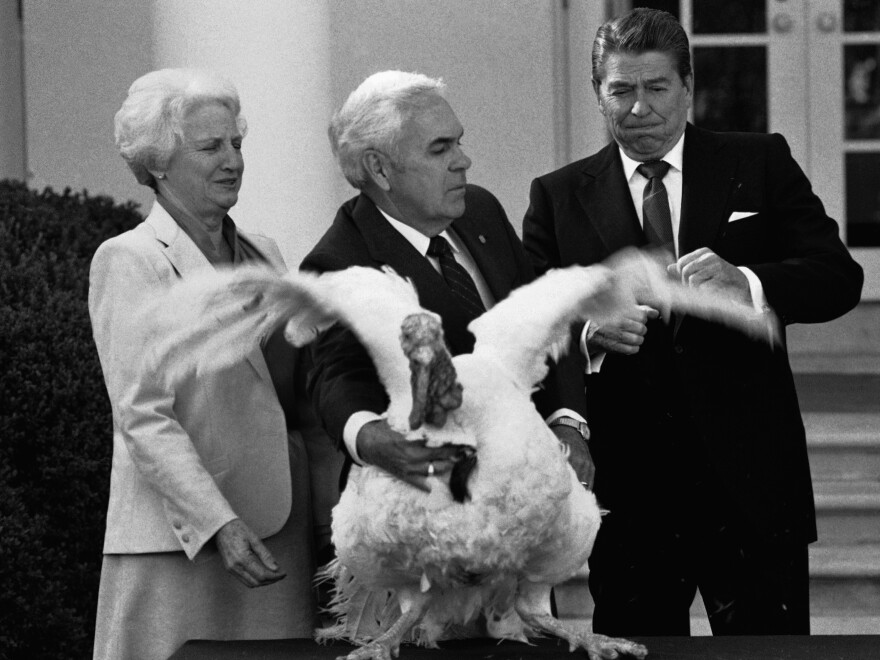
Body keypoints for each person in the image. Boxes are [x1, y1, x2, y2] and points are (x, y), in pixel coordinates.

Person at [522, 8, 864, 637]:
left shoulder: (758, 161)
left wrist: (750, 282)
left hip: (753, 485)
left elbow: (840, 278)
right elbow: (529, 324)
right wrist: (590, 335)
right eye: (620, 90)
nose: (639, 108)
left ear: (687, 87)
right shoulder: (558, 195)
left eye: (656, 88)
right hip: (629, 492)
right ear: (599, 92)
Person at [89, 69, 317, 660]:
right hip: (184, 540)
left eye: (236, 144)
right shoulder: (130, 260)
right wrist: (217, 523)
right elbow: (143, 414)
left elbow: (293, 385)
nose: (233, 160)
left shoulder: (265, 251)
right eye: (210, 147)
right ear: (159, 162)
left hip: (278, 535)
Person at [301, 70, 590, 493]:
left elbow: (543, 325)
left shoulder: (480, 210)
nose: (462, 160)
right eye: (440, 149)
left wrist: (566, 423)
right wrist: (369, 436)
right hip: (433, 503)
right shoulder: (341, 262)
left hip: (533, 488)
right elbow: (338, 379)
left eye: (458, 141)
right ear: (380, 169)